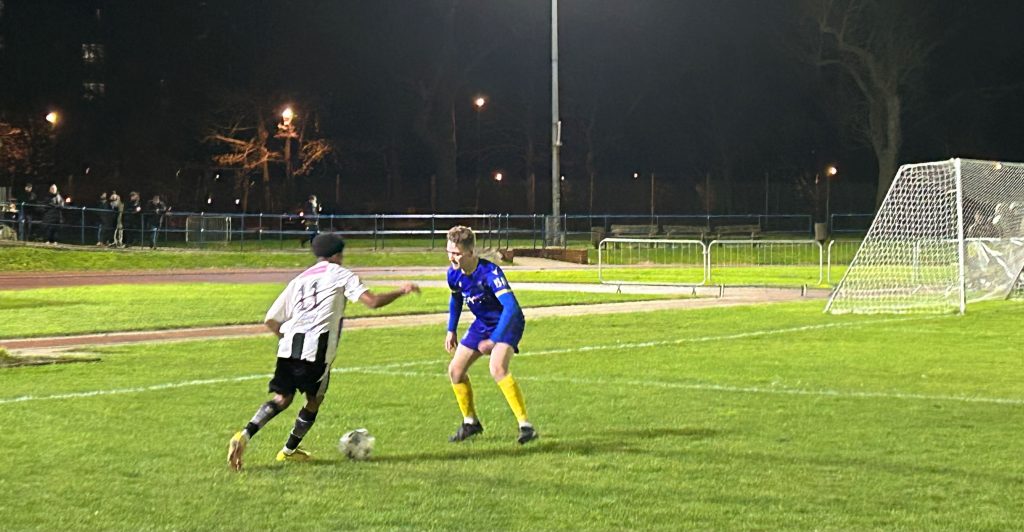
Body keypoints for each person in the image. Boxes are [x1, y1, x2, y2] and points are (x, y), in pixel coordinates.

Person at [227, 233, 420, 471]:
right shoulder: (341, 274)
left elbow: (271, 320)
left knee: (282, 398)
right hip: (316, 349)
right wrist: (402, 290)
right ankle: (288, 451)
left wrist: (286, 339)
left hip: (288, 348)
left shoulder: (299, 279)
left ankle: (244, 434)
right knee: (314, 399)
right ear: (337, 255)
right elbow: (373, 301)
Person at [443, 225, 537, 445]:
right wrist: (451, 329)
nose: (451, 257)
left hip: (507, 322)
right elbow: (456, 298)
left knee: (497, 368)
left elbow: (511, 308)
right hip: (483, 323)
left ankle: (526, 426)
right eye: (449, 251)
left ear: (470, 252)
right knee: (455, 371)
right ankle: (470, 423)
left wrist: (494, 340)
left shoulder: (490, 273)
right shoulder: (453, 273)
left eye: (456, 253)